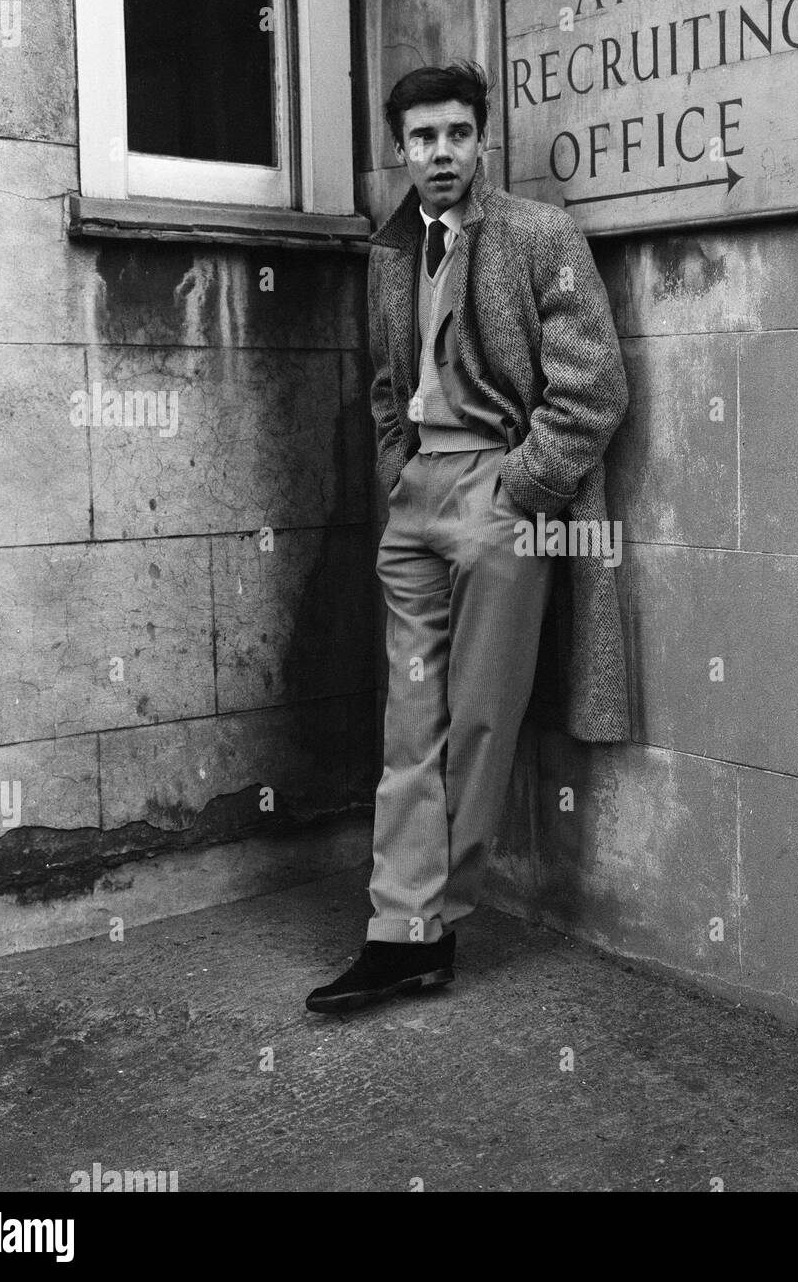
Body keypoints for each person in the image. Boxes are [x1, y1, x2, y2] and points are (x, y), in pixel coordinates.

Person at [307, 61, 629, 1014]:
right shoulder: (388, 251)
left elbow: (595, 387)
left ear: (481, 139)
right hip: (418, 498)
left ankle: (428, 930)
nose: (438, 153)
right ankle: (398, 934)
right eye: (420, 138)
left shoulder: (538, 234)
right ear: (399, 149)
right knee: (409, 725)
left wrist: (523, 487)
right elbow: (383, 382)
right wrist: (398, 470)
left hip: (501, 493)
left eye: (455, 134)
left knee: (480, 719)